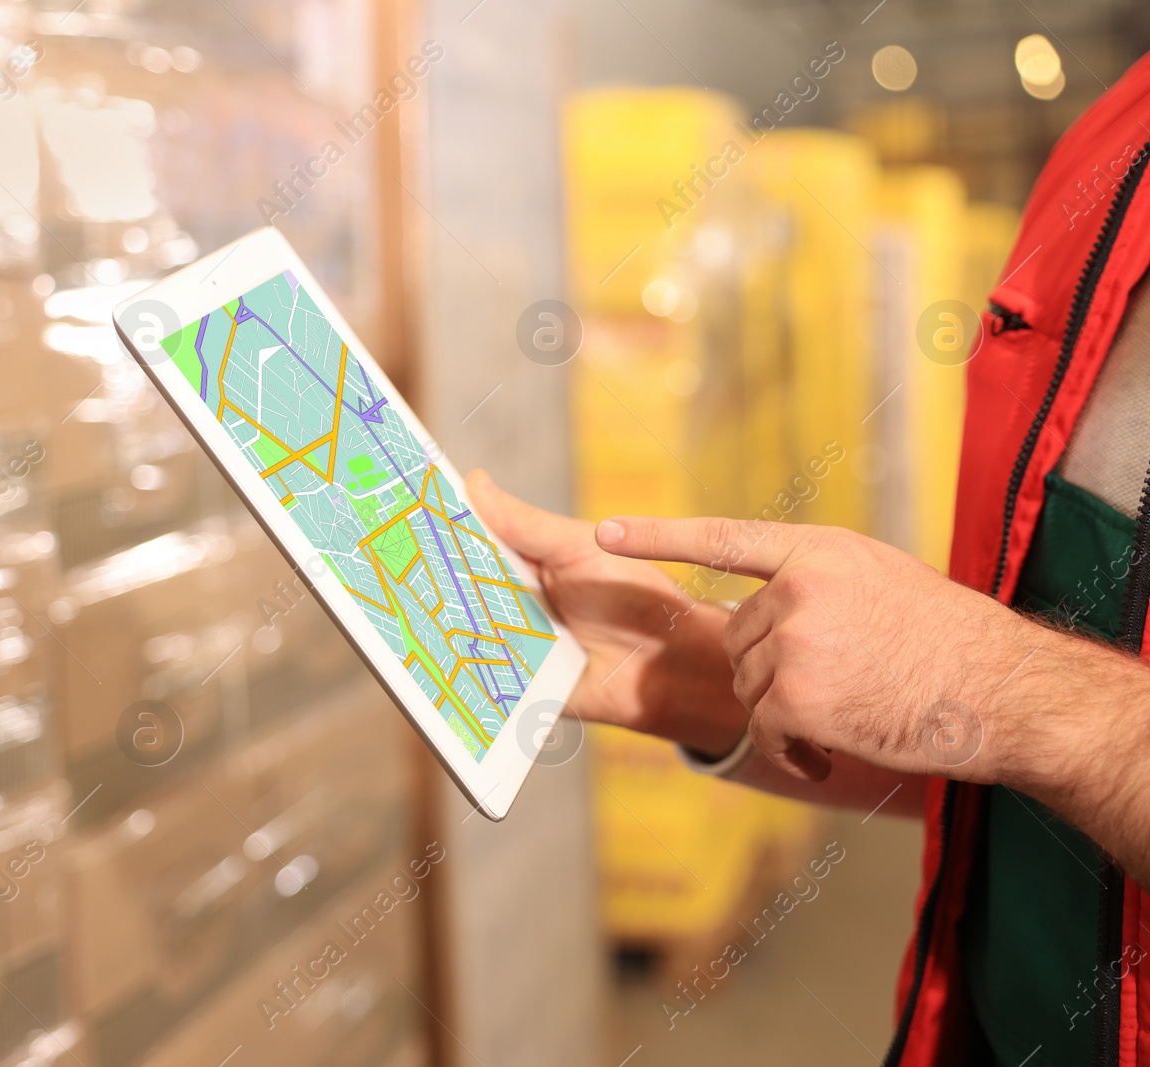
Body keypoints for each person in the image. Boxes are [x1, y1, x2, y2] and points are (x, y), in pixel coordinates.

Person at [467, 51, 1150, 1067]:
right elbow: (1028, 759)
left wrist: (990, 678)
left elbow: (1030, 706)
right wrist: (694, 672)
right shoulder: (1115, 144)